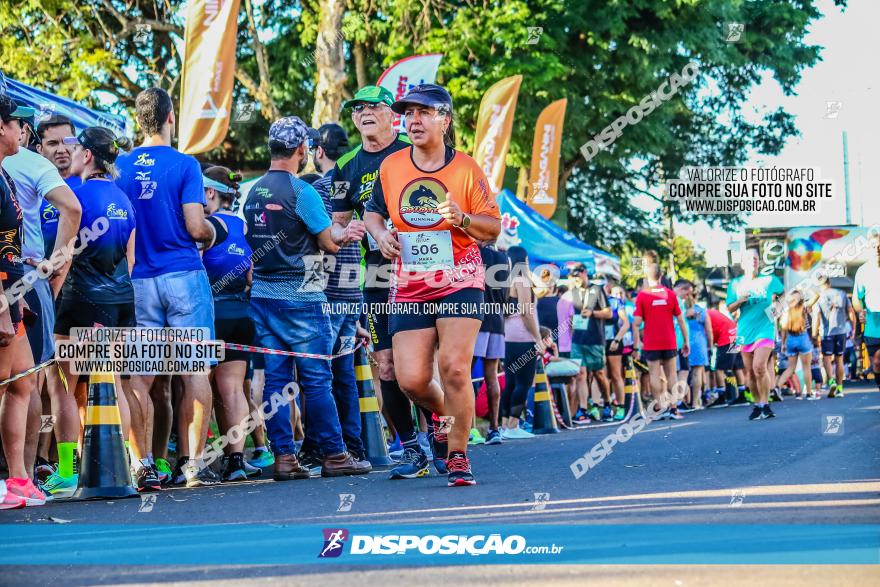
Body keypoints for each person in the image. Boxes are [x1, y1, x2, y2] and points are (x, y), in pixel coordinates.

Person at [364, 83, 501, 487]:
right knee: (410, 380)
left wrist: (461, 219)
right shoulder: (391, 167)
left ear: (445, 119)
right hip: (410, 282)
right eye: (409, 113)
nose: (414, 120)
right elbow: (374, 213)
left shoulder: (466, 168)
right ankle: (445, 418)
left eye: (424, 112)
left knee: (455, 367)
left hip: (461, 276)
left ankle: (457, 454)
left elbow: (491, 229)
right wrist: (380, 236)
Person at [244, 115, 369, 480]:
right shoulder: (302, 191)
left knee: (277, 382)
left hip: (264, 296)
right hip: (302, 296)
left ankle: (284, 458)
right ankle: (334, 454)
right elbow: (328, 240)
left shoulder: (254, 192)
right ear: (301, 149)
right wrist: (349, 232)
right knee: (317, 378)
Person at [115, 87, 218, 488]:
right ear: (171, 117)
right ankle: (193, 466)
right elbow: (195, 226)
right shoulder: (185, 164)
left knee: (140, 377)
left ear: (140, 120)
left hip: (138, 278)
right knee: (195, 369)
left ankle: (143, 466)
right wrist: (210, 233)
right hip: (183, 276)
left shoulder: (120, 167)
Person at [329, 86, 430, 478]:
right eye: (358, 109)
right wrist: (347, 229)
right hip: (377, 272)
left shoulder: (414, 148)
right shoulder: (344, 166)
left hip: (423, 267)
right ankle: (411, 450)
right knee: (386, 364)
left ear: (393, 114)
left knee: (421, 364)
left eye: (374, 107)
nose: (365, 113)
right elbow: (336, 225)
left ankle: (440, 440)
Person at [41, 127, 137, 496]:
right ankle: (122, 463)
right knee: (111, 383)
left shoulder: (73, 198)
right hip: (121, 300)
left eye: (76, 148)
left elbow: (59, 257)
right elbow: (131, 259)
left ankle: (67, 470)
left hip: (79, 300)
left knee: (63, 384)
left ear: (87, 156)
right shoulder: (124, 200)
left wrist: (49, 289)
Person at [307, 122, 372, 475]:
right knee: (343, 372)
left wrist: (311, 292)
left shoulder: (316, 189)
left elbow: (314, 247)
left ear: (318, 151)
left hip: (328, 294)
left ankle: (326, 449)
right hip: (354, 292)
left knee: (320, 375)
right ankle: (354, 446)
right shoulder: (355, 187)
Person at [0, 95, 46, 508]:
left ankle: (17, 479)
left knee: (23, 382)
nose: (23, 133)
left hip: (12, 286)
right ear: (1, 127)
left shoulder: (5, 173)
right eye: (18, 124)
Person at [200, 166, 257, 482]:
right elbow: (250, 276)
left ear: (210, 193)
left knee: (200, 389)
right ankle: (235, 460)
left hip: (212, 316)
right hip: (241, 315)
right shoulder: (243, 227)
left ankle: (198, 460)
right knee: (234, 390)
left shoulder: (206, 227)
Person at [726, 249, 785, 420]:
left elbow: (784, 295)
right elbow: (730, 308)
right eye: (749, 259)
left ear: (759, 262)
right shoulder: (735, 284)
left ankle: (765, 403)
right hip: (744, 331)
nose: (753, 261)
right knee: (750, 373)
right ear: (743, 263)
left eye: (756, 259)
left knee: (760, 366)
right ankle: (757, 404)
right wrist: (740, 301)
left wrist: (777, 309)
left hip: (765, 329)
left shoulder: (769, 280)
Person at [632, 251, 689, 420]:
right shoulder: (670, 294)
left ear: (646, 276)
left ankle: (660, 407)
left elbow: (636, 322)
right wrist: (686, 341)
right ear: (661, 275)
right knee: (672, 374)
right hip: (669, 340)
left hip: (651, 342)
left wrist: (637, 343)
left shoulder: (643, 295)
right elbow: (681, 320)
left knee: (654, 375)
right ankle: (673, 409)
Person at [560, 263, 613, 423]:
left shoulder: (597, 289)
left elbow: (609, 313)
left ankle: (608, 404)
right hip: (578, 340)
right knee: (581, 374)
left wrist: (592, 313)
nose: (575, 281)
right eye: (572, 279)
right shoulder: (574, 292)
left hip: (595, 339)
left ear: (584, 273)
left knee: (599, 374)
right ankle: (583, 410)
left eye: (577, 277)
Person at [501, 246, 541, 440]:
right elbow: (526, 311)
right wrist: (538, 338)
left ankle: (504, 425)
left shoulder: (505, 280)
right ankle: (513, 424)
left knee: (510, 382)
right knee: (523, 383)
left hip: (508, 337)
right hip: (523, 337)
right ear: (523, 260)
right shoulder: (522, 279)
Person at [473, 241, 507, 445]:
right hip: (498, 320)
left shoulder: (476, 253)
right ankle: (494, 429)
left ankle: (469, 429)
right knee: (491, 376)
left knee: (464, 375)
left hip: (477, 318)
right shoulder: (504, 258)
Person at [36, 115, 81, 257]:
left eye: (67, 142)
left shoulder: (92, 183)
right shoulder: (31, 187)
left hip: (86, 276)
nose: (61, 149)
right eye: (53, 143)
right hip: (44, 273)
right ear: (40, 149)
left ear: (76, 144)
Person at [813, 273, 855, 398]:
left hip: (827, 333)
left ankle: (831, 382)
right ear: (829, 283)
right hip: (841, 332)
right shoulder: (841, 293)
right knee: (839, 360)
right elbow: (851, 312)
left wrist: (815, 335)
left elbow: (816, 317)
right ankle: (840, 388)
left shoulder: (820, 297)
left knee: (827, 358)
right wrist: (853, 328)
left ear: (820, 285)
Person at [674, 280, 712, 409]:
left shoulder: (680, 308)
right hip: (698, 342)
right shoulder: (700, 311)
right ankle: (695, 402)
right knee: (696, 373)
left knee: (680, 372)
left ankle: (682, 401)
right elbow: (709, 329)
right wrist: (710, 345)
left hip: (681, 340)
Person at [773, 290, 814, 401]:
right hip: (803, 337)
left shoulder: (787, 310)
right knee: (806, 367)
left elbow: (784, 328)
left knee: (791, 368)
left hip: (790, 339)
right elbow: (816, 295)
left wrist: (783, 343)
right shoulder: (804, 308)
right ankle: (809, 393)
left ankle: (777, 387)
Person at [853, 232, 880, 393]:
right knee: (876, 363)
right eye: (873, 246)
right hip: (872, 325)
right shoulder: (863, 271)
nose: (877, 249)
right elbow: (857, 298)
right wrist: (860, 311)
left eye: (879, 246)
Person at [707, 304, 746, 407]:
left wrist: (710, 346)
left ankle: (721, 398)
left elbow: (709, 332)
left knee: (719, 369)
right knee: (737, 367)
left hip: (727, 337)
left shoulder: (703, 315)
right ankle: (742, 396)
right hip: (736, 334)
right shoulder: (709, 312)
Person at [603, 276, 629, 420]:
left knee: (616, 374)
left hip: (614, 341)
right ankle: (600, 405)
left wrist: (617, 339)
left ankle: (621, 406)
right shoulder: (593, 302)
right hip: (599, 342)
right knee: (599, 375)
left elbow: (626, 324)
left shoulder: (616, 302)